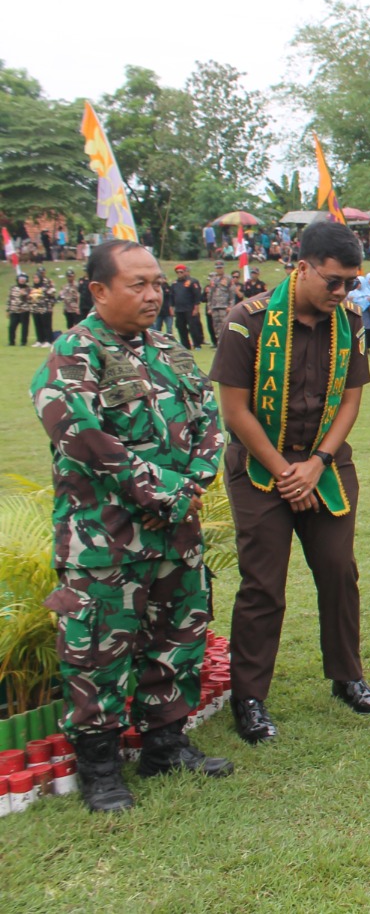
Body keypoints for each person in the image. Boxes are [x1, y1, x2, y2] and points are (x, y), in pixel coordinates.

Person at [31, 240, 232, 812]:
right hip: (106, 538)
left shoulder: (171, 350)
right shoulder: (73, 353)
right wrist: (164, 493)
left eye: (157, 283)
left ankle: (165, 745)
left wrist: (191, 484)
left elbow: (208, 421)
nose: (152, 294)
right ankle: (99, 769)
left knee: (177, 637)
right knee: (98, 649)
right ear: (98, 290)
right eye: (137, 284)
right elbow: (83, 437)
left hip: (174, 534)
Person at [211, 219, 370, 744]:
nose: (342, 292)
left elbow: (351, 399)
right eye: (334, 281)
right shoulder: (247, 321)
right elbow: (234, 410)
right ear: (302, 267)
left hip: (325, 462)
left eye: (351, 282)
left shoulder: (349, 322)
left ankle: (347, 677)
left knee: (338, 570)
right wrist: (285, 470)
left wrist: (317, 463)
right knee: (263, 583)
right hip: (260, 465)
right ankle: (249, 697)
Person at [169, 264, 203, 350]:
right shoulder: (174, 284)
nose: (179, 274)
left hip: (190, 309)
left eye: (181, 272)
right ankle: (185, 345)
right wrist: (171, 308)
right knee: (180, 327)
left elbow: (197, 295)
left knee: (193, 327)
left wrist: (196, 307)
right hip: (179, 309)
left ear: (185, 272)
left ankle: (197, 344)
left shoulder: (191, 282)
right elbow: (171, 296)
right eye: (177, 272)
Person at [206, 265, 233, 347]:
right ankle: (219, 343)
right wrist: (209, 307)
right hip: (214, 306)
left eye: (220, 268)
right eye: (217, 268)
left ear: (223, 268)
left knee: (224, 325)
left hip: (224, 306)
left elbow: (231, 293)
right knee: (216, 326)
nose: (219, 270)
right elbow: (210, 294)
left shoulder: (228, 278)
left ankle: (226, 343)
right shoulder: (213, 279)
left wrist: (230, 306)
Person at [7, 273, 29, 346]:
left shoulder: (28, 289)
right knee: (11, 327)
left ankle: (23, 342)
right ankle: (11, 342)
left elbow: (31, 299)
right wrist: (8, 310)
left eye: (24, 279)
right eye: (20, 278)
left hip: (24, 311)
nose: (22, 280)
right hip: (14, 310)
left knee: (24, 327)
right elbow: (9, 299)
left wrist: (24, 294)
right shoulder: (13, 288)